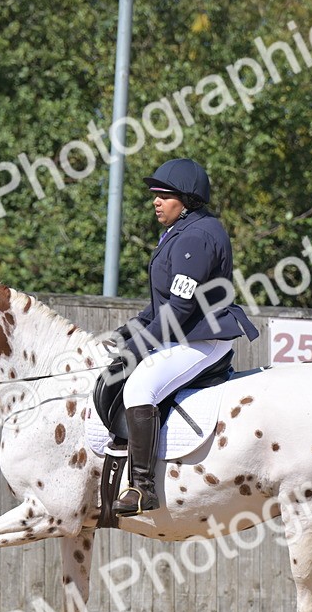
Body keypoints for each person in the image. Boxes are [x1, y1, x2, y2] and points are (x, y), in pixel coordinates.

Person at [110, 157, 259, 516]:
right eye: (154, 195)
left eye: (164, 195)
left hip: (202, 339)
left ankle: (142, 487)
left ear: (188, 199)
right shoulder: (182, 230)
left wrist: (138, 348)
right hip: (187, 333)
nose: (155, 201)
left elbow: (178, 310)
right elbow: (160, 304)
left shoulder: (197, 237)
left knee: (138, 387)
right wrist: (127, 333)